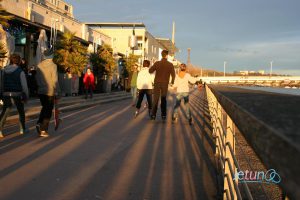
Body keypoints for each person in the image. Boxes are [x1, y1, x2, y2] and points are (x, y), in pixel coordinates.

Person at [0, 54, 29, 138]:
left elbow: (1, 83)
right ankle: (22, 128)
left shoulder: (4, 71)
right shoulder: (20, 71)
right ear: (19, 61)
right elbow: (24, 86)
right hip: (17, 93)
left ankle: (0, 129)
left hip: (6, 93)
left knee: (5, 111)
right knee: (21, 111)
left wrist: (1, 93)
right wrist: (26, 96)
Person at [35, 49, 60, 137]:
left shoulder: (39, 65)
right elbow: (55, 80)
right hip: (50, 91)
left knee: (44, 108)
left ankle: (39, 123)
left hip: (41, 91)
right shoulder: (53, 66)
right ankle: (43, 129)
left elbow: (37, 78)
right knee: (48, 111)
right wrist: (57, 91)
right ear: (51, 56)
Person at [149, 50, 175, 121]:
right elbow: (173, 74)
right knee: (163, 99)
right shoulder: (170, 64)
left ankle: (153, 115)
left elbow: (150, 71)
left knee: (155, 99)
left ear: (161, 55)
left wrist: (153, 65)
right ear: (166, 56)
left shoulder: (157, 63)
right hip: (165, 84)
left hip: (157, 83)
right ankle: (163, 115)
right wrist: (172, 82)